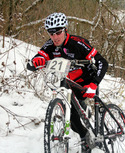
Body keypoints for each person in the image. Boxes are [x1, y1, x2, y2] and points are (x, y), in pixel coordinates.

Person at [27, 12, 108, 153]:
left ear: (65, 30)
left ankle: (99, 127)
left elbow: (103, 62)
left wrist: (94, 84)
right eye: (51, 33)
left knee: (86, 107)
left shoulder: (78, 43)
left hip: (88, 80)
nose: (55, 37)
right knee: (69, 115)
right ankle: (85, 138)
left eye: (58, 32)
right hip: (68, 83)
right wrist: (36, 62)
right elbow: (37, 59)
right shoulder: (50, 45)